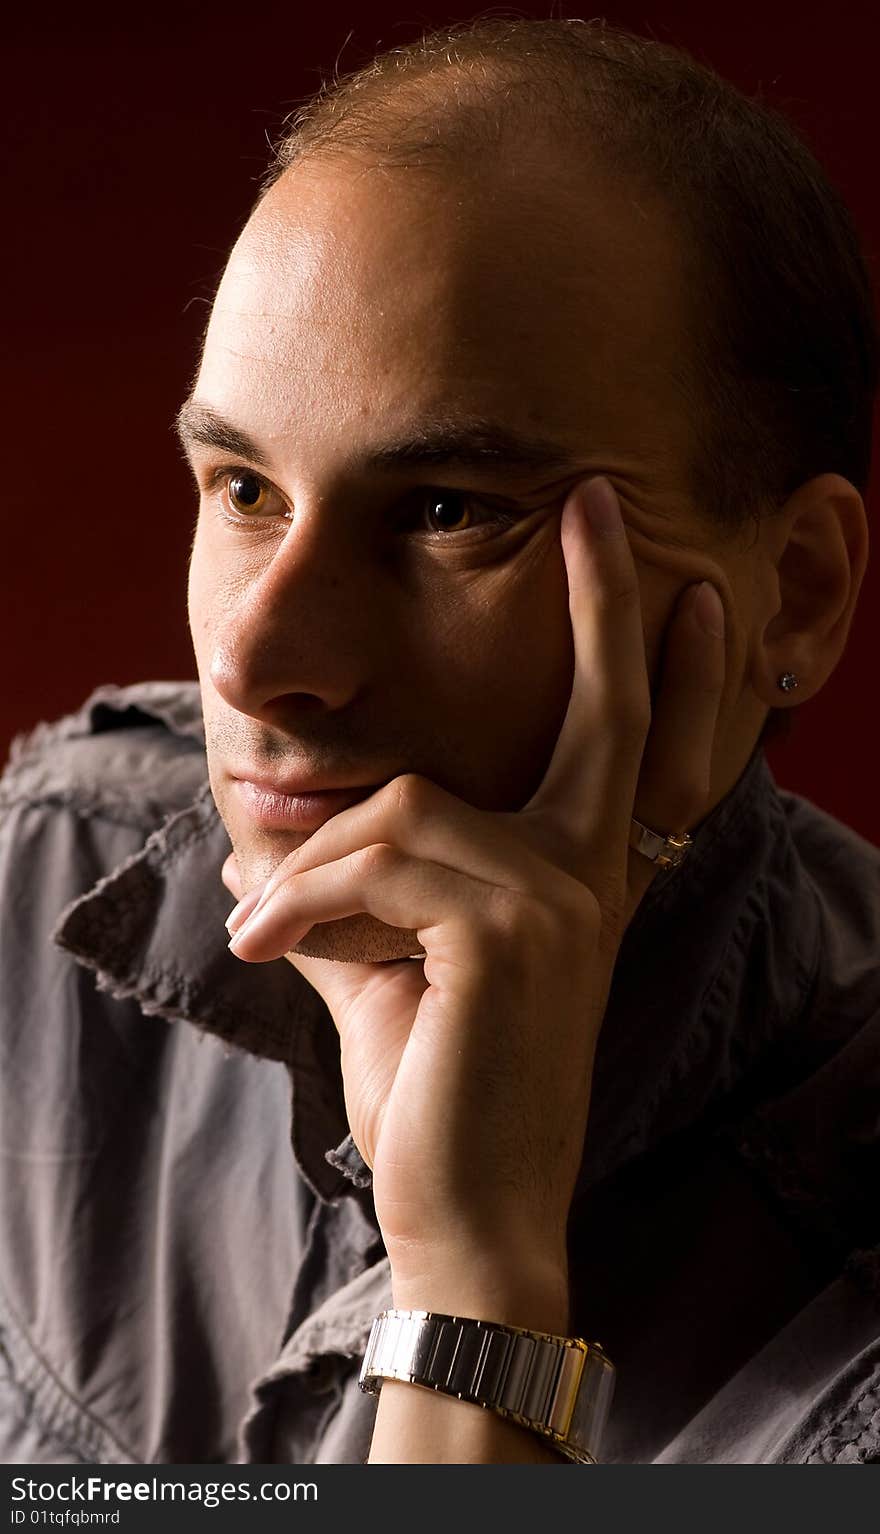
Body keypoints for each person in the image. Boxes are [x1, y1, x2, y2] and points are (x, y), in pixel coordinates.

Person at [1, 15, 878, 1466]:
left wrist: (480, 1280)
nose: (253, 657)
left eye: (448, 508)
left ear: (797, 593)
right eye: (240, 489)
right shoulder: (42, 896)